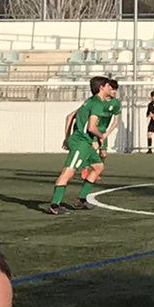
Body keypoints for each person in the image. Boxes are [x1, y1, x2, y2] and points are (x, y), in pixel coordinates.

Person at [44, 76, 118, 215]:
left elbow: (69, 116)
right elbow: (91, 127)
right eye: (108, 86)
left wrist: (67, 138)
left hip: (86, 142)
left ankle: (81, 200)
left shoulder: (90, 101)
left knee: (98, 167)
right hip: (82, 142)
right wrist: (101, 136)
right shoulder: (97, 104)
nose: (111, 88)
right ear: (102, 88)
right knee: (68, 172)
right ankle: (54, 205)